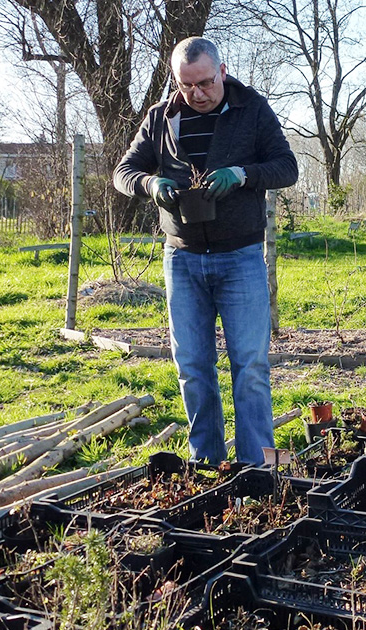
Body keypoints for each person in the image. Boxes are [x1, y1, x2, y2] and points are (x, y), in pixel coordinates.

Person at [113, 36, 298, 465]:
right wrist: (149, 183)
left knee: (250, 368)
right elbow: (125, 171)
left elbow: (287, 167)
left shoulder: (252, 109)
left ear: (222, 71)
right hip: (183, 259)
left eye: (204, 83)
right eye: (186, 85)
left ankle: (256, 470)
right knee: (193, 368)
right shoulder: (162, 117)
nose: (196, 93)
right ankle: (208, 464)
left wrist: (243, 173)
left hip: (241, 259)